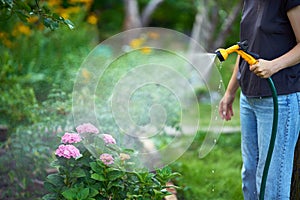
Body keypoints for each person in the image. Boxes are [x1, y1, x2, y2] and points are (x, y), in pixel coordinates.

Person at [218, 1, 300, 199]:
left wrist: (274, 66)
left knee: (271, 183)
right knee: (250, 175)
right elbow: (244, 49)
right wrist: (230, 92)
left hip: (279, 99)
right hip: (249, 98)